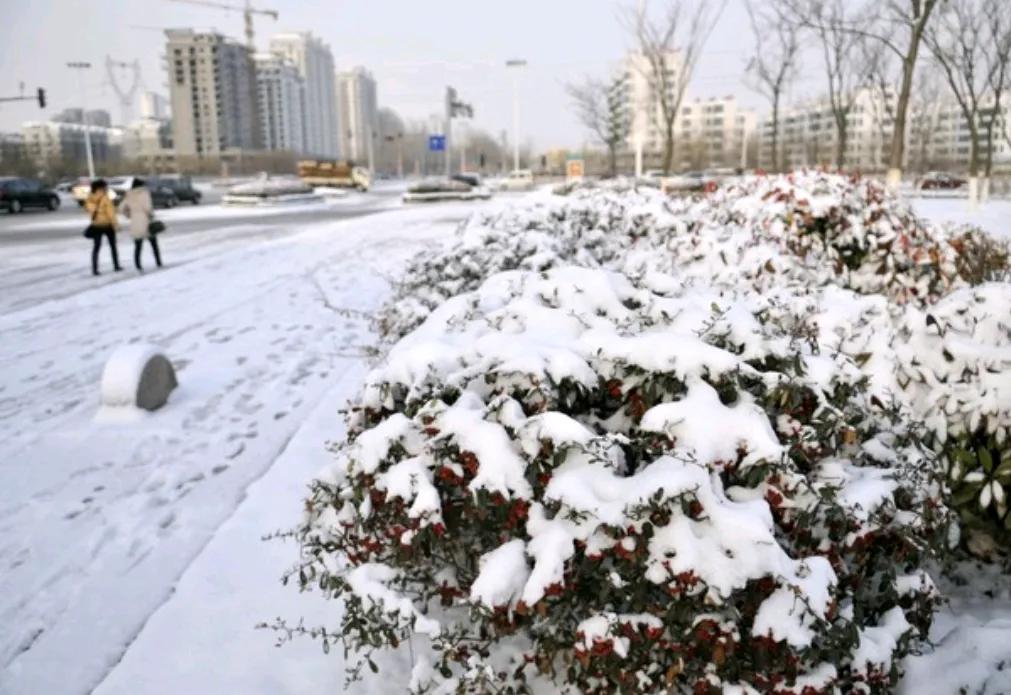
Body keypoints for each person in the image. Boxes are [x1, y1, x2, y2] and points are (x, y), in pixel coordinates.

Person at [120, 178, 162, 271]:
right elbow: (148, 207)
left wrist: (129, 215)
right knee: (153, 244)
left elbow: (122, 208)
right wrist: (151, 215)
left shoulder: (129, 194)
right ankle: (158, 261)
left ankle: (138, 264)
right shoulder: (144, 193)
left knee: (138, 245)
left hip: (135, 221)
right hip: (145, 220)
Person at [85, 179, 121, 275]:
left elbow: (89, 211)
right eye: (105, 186)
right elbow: (111, 213)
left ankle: (95, 269)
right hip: (107, 225)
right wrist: (116, 225)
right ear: (101, 187)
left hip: (96, 225)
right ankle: (116, 265)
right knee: (113, 246)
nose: (107, 188)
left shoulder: (89, 198)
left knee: (96, 248)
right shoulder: (105, 198)